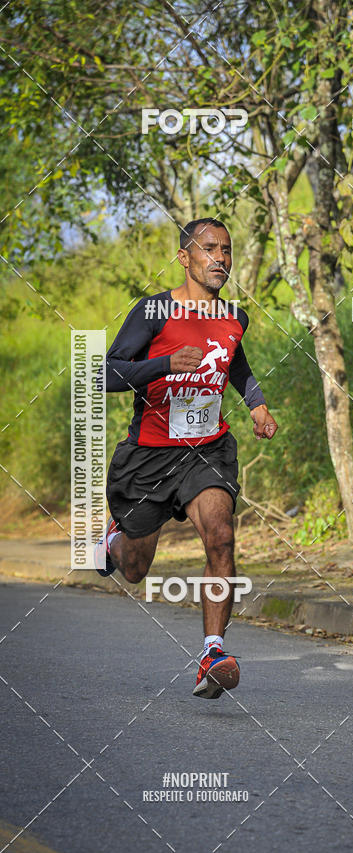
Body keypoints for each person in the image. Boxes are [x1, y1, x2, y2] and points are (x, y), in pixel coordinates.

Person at [94, 217, 277, 699]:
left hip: (207, 449)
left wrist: (256, 403)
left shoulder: (235, 316)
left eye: (227, 249)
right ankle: (115, 537)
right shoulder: (154, 310)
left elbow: (236, 362)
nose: (220, 257)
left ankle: (213, 653)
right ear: (185, 257)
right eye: (209, 248)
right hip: (149, 456)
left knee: (221, 537)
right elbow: (105, 374)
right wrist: (161, 364)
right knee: (135, 568)